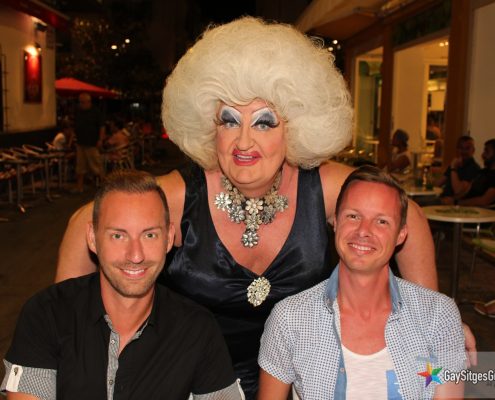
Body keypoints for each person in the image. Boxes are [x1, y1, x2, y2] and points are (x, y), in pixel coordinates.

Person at [55, 17, 471, 398]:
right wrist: (68, 331)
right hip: (193, 385)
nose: (243, 141)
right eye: (229, 120)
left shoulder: (324, 187)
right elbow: (85, 222)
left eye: (264, 121)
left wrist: (434, 324)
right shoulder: (181, 197)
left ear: (296, 125)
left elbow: (406, 216)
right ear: (209, 126)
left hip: (296, 381)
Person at [1, 170, 242, 399]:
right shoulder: (47, 314)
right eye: (118, 235)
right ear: (92, 238)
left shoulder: (197, 329)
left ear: (169, 238)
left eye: (149, 235)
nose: (135, 255)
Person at [258, 166, 465, 399]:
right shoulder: (290, 318)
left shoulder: (438, 316)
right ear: (336, 222)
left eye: (382, 221)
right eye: (353, 216)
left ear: (401, 235)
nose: (363, 231)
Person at [73, 92, 106, 193]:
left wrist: (100, 139)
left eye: (83, 102)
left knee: (96, 165)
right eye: (80, 102)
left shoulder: (96, 112)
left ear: (88, 102)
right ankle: (79, 187)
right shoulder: (78, 111)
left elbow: (102, 126)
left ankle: (105, 187)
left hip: (92, 143)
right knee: (80, 167)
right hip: (80, 142)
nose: (81, 104)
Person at [437, 136, 480, 204]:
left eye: (467, 148)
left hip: (454, 204)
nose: (464, 151)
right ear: (457, 149)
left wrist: (453, 168)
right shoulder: (455, 163)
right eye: (461, 148)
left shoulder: (473, 168)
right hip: (442, 198)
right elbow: (438, 183)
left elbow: (458, 190)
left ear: (473, 150)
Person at [456, 138, 495, 207]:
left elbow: (484, 201)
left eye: (487, 152)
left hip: (482, 212)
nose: (483, 155)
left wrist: (457, 203)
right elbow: (466, 191)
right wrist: (452, 200)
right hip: (464, 207)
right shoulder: (482, 172)